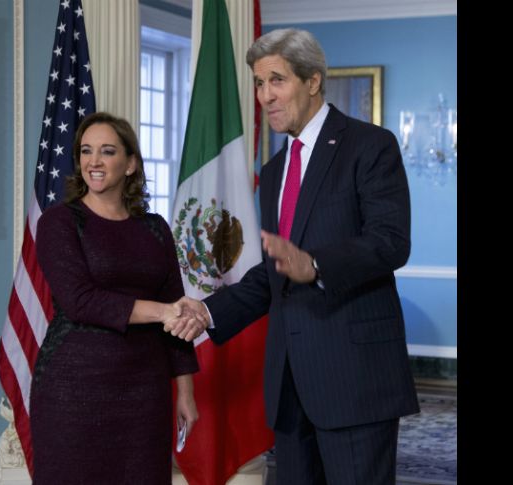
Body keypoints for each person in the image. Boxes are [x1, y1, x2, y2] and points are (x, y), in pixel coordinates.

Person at [167, 28, 420, 485]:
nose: (265, 96)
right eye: (259, 84)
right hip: (289, 384)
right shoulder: (274, 170)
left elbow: (390, 241)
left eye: (277, 81)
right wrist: (207, 311)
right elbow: (274, 273)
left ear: (313, 80)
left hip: (354, 381)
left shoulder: (369, 145)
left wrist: (316, 265)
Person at [30, 111, 200, 484]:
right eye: (86, 151)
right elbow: (80, 301)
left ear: (130, 164)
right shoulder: (59, 222)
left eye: (107, 151)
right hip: (74, 390)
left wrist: (186, 392)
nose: (94, 161)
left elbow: (178, 317)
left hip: (146, 393)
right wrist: (163, 312)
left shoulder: (156, 229)